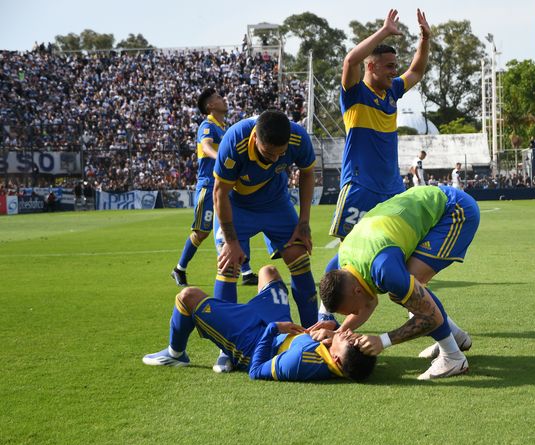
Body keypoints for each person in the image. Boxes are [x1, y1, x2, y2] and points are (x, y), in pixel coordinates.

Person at [322, 9, 431, 320]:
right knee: (347, 252)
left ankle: (415, 304)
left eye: (395, 67)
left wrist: (424, 39)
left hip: (391, 188)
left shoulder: (392, 93)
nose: (394, 72)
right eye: (388, 67)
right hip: (359, 186)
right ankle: (325, 312)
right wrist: (384, 31)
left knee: (404, 247)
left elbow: (418, 71)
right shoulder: (354, 93)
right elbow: (349, 61)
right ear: (370, 66)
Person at [318, 185, 480, 380]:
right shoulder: (341, 263)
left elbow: (430, 317)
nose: (353, 315)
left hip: (455, 210)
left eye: (352, 311)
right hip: (421, 207)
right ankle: (456, 337)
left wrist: (383, 341)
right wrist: (336, 331)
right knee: (407, 290)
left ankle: (453, 357)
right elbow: (366, 303)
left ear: (356, 291)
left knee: (407, 290)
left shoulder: (384, 269)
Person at [143, 265, 376, 382]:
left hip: (253, 341)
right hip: (277, 328)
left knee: (187, 297)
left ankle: (176, 353)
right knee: (269, 272)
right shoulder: (337, 359)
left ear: (336, 359)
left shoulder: (300, 362)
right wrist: (331, 334)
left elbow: (255, 371)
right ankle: (238, 323)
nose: (349, 336)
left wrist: (274, 328)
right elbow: (340, 349)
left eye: (349, 342)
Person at [212, 110, 319, 330]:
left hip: (276, 203)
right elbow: (219, 193)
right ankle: (228, 347)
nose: (275, 159)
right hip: (236, 206)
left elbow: (308, 174)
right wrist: (231, 242)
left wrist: (304, 222)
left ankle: (313, 333)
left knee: (299, 258)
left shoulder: (298, 137)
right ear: (255, 139)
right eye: (269, 153)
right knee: (228, 265)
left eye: (281, 154)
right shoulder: (235, 140)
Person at [171, 89, 228, 287]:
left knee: (232, 224)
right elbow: (206, 147)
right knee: (202, 232)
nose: (223, 99)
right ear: (210, 106)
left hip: (224, 186)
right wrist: (220, 158)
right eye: (219, 98)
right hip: (209, 185)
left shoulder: (223, 128)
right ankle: (179, 268)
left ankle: (244, 271)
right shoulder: (207, 125)